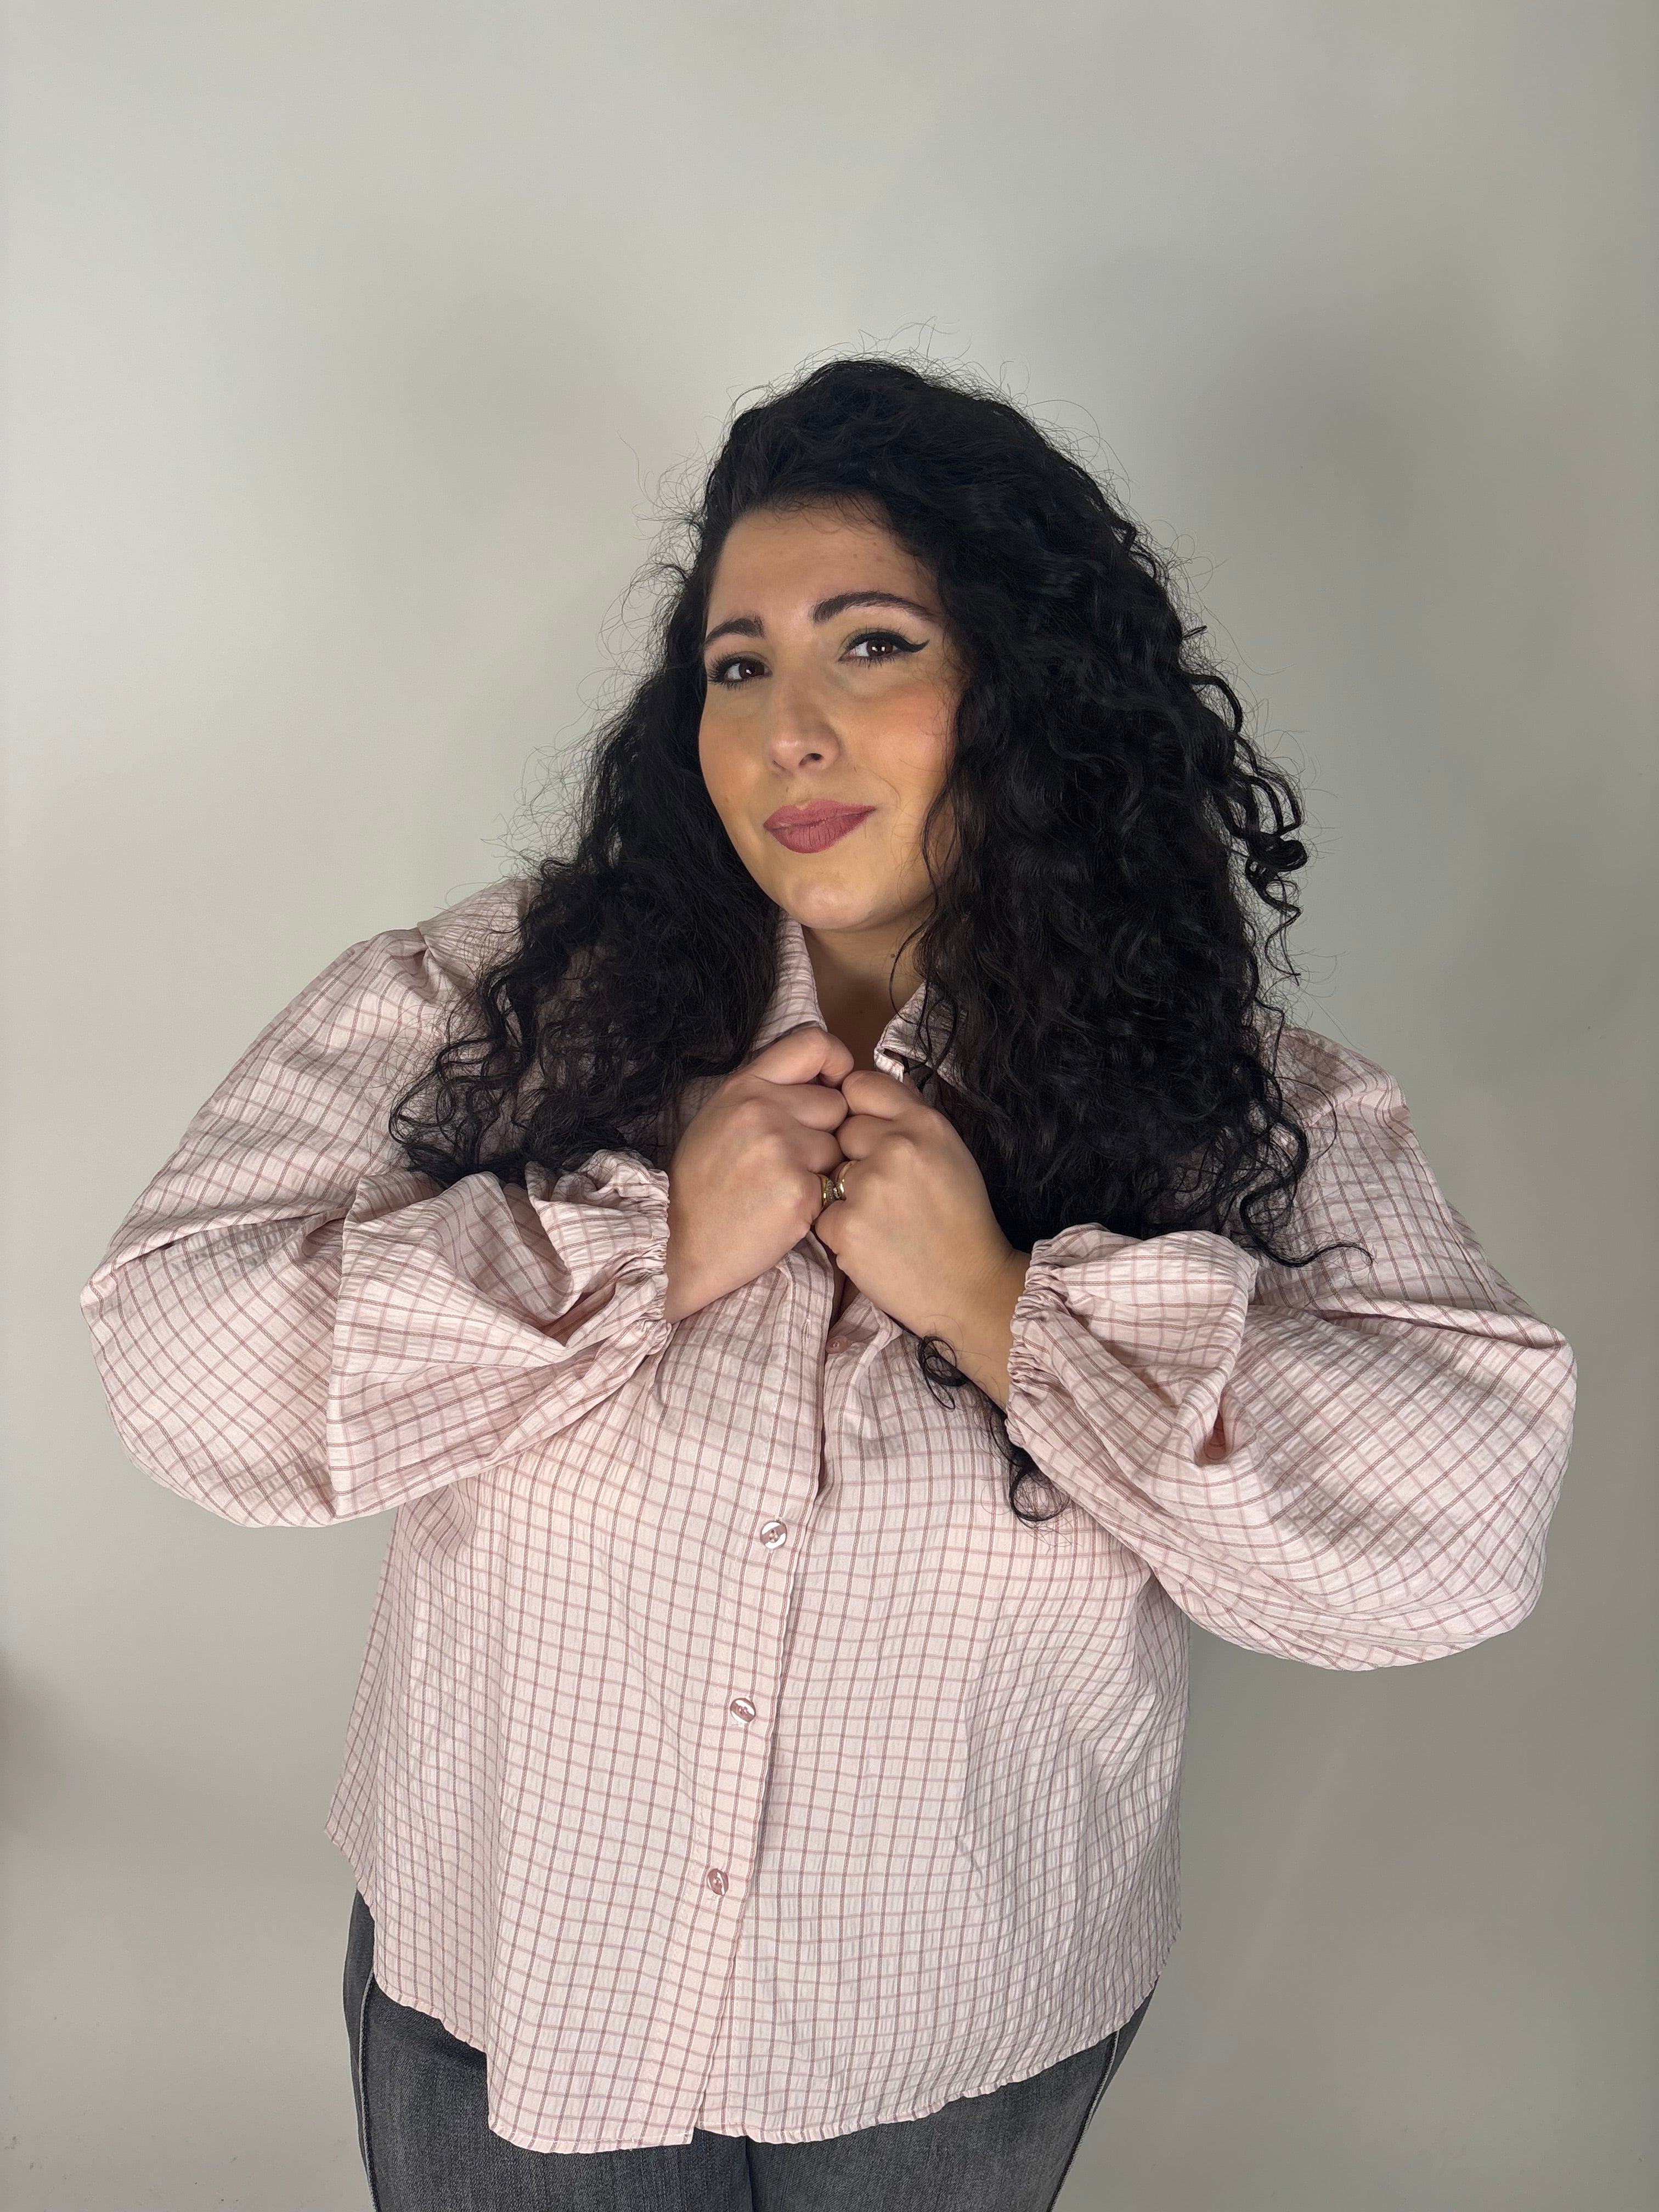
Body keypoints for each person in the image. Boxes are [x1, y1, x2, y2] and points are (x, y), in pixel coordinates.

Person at [80, 357, 1577, 2211]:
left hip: (948, 2035)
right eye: (737, 665)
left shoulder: (1240, 1108)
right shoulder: (500, 1006)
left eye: (871, 645)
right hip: (512, 1981)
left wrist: (1003, 1310)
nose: (788, 729)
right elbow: (176, 1350)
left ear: (1026, 690)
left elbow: (1457, 1533)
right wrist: (641, 1244)